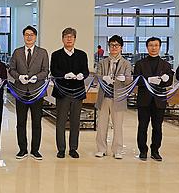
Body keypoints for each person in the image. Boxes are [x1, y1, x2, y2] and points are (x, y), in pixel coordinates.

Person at [8, 25, 49, 160]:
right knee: (21, 122)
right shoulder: (17, 52)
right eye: (26, 34)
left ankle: (35, 150)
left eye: (31, 34)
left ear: (35, 37)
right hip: (20, 91)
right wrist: (18, 76)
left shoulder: (42, 52)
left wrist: (36, 77)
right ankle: (22, 149)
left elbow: (45, 70)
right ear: (23, 36)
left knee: (37, 122)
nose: (29, 37)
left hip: (37, 91)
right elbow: (11, 69)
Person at [50, 27, 89, 159]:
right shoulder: (56, 55)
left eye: (71, 37)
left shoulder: (82, 54)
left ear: (75, 39)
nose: (69, 39)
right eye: (66, 36)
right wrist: (64, 75)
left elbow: (86, 71)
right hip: (62, 92)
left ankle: (73, 148)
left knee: (75, 121)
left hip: (78, 92)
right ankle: (61, 148)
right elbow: (54, 71)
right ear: (62, 39)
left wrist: (81, 75)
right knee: (60, 121)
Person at [133, 37, 173, 161]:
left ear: (159, 47)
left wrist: (166, 79)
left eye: (156, 45)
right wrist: (147, 80)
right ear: (147, 47)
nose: (153, 48)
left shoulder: (166, 65)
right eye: (151, 45)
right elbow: (136, 80)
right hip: (144, 100)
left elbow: (169, 81)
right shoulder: (140, 63)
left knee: (157, 127)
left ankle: (155, 151)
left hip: (159, 100)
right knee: (142, 126)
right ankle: (143, 150)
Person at [94, 35, 133, 159]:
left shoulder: (126, 63)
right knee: (102, 125)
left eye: (117, 45)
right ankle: (101, 149)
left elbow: (129, 80)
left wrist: (124, 79)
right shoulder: (103, 62)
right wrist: (103, 78)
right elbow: (97, 78)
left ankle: (117, 150)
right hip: (104, 97)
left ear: (121, 47)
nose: (114, 48)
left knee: (118, 126)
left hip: (119, 98)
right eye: (112, 45)